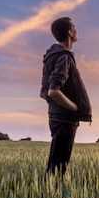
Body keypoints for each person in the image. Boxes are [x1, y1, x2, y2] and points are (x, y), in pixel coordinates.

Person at [40, 16, 92, 177]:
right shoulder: (63, 56)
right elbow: (53, 90)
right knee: (58, 167)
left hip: (56, 115)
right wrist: (75, 107)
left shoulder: (53, 55)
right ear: (69, 32)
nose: (76, 31)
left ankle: (48, 195)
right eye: (74, 28)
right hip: (64, 118)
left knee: (56, 163)